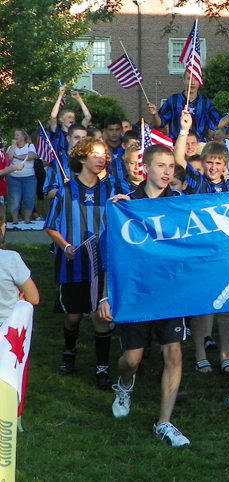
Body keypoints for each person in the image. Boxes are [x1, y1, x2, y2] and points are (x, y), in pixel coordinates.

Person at [98, 145, 190, 447]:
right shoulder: (125, 204)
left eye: (171, 166)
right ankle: (124, 384)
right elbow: (111, 257)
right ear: (145, 168)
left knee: (173, 354)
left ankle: (164, 422)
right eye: (161, 165)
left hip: (171, 292)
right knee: (132, 360)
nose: (167, 171)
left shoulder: (180, 204)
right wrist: (104, 297)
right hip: (135, 292)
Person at [44, 137, 114, 391]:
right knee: (73, 317)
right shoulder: (65, 190)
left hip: (100, 265)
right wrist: (65, 247)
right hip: (72, 265)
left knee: (100, 316)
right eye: (95, 154)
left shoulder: (109, 189)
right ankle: (69, 352)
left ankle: (102, 369)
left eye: (103, 154)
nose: (100, 158)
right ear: (82, 158)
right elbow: (50, 227)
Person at [174, 110, 229, 374]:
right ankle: (200, 353)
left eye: (218, 163)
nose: (213, 167)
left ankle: (225, 354)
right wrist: (184, 130)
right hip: (200, 252)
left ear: (225, 165)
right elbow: (178, 159)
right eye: (209, 162)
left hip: (226, 252)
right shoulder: (197, 182)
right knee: (202, 304)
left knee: (228, 306)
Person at [146, 72, 229, 140]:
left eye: (196, 79)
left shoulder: (205, 102)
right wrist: (155, 114)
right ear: (184, 80)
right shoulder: (173, 100)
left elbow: (216, 123)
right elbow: (160, 123)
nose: (192, 82)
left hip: (198, 144)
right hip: (177, 142)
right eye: (189, 78)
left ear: (200, 82)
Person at [0, 203, 39, 326]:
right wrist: (20, 301)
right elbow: (34, 298)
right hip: (7, 329)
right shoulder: (10, 259)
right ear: (2, 227)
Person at [43, 123, 88, 200]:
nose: (81, 141)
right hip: (64, 208)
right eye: (77, 137)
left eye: (83, 138)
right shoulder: (57, 162)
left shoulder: (91, 160)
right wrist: (65, 189)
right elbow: (49, 192)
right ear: (68, 138)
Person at [6, 129, 38, 224]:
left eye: (18, 135)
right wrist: (13, 145)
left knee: (29, 198)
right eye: (15, 135)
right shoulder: (10, 148)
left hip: (29, 177)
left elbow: (31, 156)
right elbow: (9, 158)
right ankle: (15, 220)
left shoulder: (30, 146)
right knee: (14, 199)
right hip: (13, 177)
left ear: (23, 137)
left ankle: (27, 219)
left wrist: (17, 157)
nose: (15, 137)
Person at [49, 85, 92, 153]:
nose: (72, 119)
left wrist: (79, 99)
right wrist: (60, 96)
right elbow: (53, 116)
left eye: (73, 117)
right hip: (60, 162)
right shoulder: (57, 132)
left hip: (75, 161)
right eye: (69, 117)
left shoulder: (78, 130)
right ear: (61, 119)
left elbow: (88, 117)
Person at [103, 115, 125, 181]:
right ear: (105, 130)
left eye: (117, 129)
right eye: (111, 130)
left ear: (121, 130)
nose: (114, 133)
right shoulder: (101, 149)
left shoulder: (127, 148)